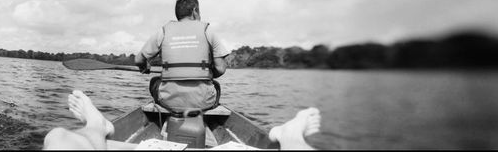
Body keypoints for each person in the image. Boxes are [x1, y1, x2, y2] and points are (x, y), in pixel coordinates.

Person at [42, 90, 321, 150]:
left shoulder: (163, 34)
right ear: (196, 14)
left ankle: (97, 126)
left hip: (166, 103)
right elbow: (221, 66)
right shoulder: (210, 35)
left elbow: (143, 59)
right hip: (206, 101)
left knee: (59, 138)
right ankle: (289, 136)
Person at [134, 0, 230, 114]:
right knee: (216, 85)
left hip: (168, 102)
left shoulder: (163, 31)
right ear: (195, 11)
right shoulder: (207, 30)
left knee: (154, 81)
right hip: (204, 102)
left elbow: (138, 60)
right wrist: (207, 73)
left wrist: (144, 67)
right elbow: (221, 69)